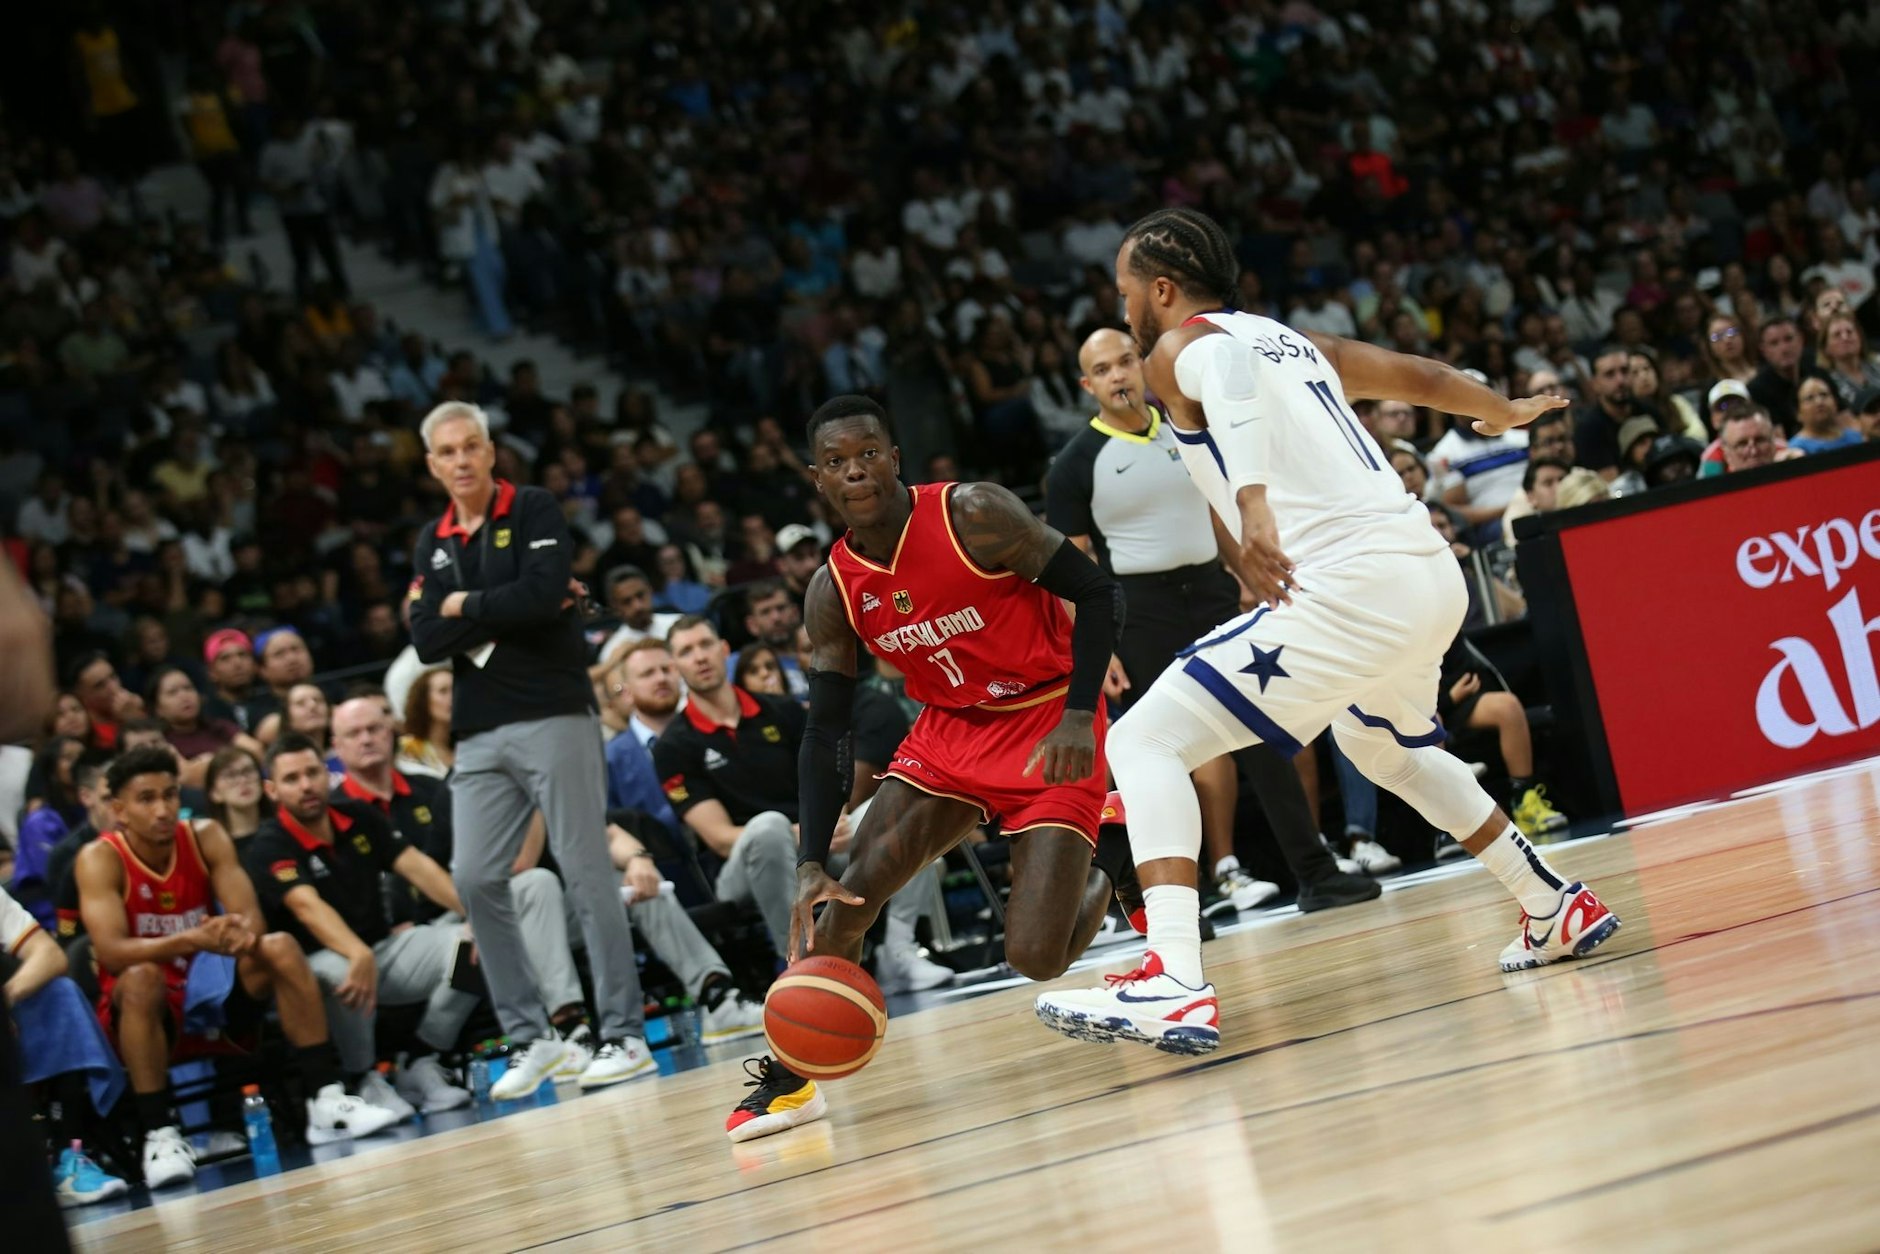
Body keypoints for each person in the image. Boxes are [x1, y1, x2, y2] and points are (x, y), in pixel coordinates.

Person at [1036, 210, 1619, 1054]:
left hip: (1351, 586)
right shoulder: (1290, 339)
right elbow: (1414, 374)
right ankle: (1552, 904)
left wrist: (1254, 503)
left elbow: (1223, 370)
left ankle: (1172, 977)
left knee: (1144, 742)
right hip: (1425, 570)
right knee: (1387, 750)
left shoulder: (1183, 347)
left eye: (1125, 291)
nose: (1124, 307)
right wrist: (1498, 406)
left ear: (1161, 291)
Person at [725, 394, 1134, 1144]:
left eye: (870, 452)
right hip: (950, 735)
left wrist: (1082, 711)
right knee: (841, 902)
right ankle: (793, 1076)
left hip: (1049, 718)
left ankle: (1111, 861)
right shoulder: (834, 588)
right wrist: (814, 859)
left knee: (1036, 958)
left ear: (894, 456)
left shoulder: (975, 514)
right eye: (839, 461)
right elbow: (826, 726)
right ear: (818, 478)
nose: (858, 471)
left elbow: (1100, 593)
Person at [1046, 325, 1385, 898]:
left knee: (1262, 728)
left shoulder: (1184, 428)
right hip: (1138, 613)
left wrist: (1251, 571)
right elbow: (1072, 572)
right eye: (1103, 370)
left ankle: (1315, 873)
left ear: (1141, 363)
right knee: (1158, 758)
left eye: (1125, 361)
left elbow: (1217, 511)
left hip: (1211, 595)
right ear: (1088, 385)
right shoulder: (1076, 464)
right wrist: (1095, 652)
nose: (1118, 375)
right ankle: (1176, 900)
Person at [408, 401, 654, 1098]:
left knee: (583, 870)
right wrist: (496, 603)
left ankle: (624, 1035)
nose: (460, 460)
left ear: (490, 451)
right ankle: (533, 1037)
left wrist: (462, 605)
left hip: (553, 708)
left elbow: (545, 594)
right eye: (446, 452)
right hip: (478, 729)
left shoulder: (536, 507)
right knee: (476, 876)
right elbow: (425, 637)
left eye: (470, 447)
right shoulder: (432, 537)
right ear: (433, 465)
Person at [76, 746, 398, 1188]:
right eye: (146, 799)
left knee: (280, 946)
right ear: (119, 810)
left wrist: (237, 933)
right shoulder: (99, 858)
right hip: (148, 1008)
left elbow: (252, 922)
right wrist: (191, 938)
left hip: (212, 985)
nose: (163, 809)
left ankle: (325, 1098)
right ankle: (160, 1134)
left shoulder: (205, 835)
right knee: (140, 978)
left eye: (170, 795)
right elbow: (110, 952)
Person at [240, 735, 473, 1116]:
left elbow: (418, 868)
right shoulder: (270, 843)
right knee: (343, 967)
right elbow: (306, 906)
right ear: (272, 789)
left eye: (313, 773)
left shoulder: (359, 816)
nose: (306, 786)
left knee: (476, 946)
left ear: (328, 774)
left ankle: (422, 1057)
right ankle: (362, 1078)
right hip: (313, 966)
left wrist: (474, 915)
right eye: (292, 778)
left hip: (381, 950)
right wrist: (355, 951)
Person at [653, 616, 808, 956]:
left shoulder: (784, 711)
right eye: (686, 651)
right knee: (768, 827)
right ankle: (803, 966)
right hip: (741, 869)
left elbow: (827, 781)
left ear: (724, 650)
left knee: (881, 824)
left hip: (815, 844)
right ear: (676, 666)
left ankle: (901, 950)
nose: (699, 657)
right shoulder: (672, 747)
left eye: (705, 645)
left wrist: (829, 825)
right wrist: (791, 834)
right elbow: (720, 839)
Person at [397, 669, 455, 778]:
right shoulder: (407, 748)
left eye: (456, 689)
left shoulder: (468, 744)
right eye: (443, 691)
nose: (453, 697)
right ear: (423, 700)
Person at [1790, 376, 1863, 454]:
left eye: (1824, 395)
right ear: (1798, 413)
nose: (1819, 402)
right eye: (1810, 398)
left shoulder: (1856, 438)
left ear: (1835, 403)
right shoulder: (1796, 450)